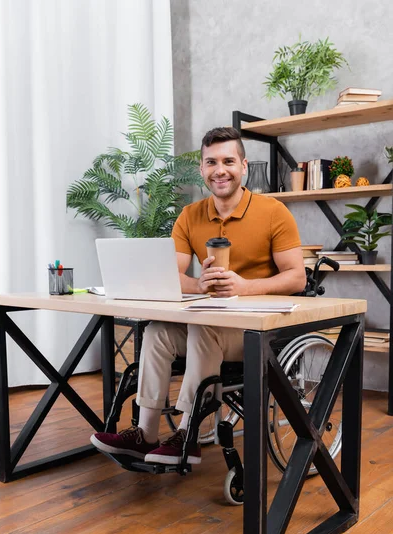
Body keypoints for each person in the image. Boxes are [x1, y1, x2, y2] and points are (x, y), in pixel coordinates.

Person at [91, 127, 306, 465]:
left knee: (203, 328)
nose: (220, 170)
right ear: (202, 170)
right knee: (159, 331)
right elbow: (171, 275)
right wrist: (200, 284)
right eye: (211, 162)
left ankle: (188, 434)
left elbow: (297, 276)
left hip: (257, 331)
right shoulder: (190, 216)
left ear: (244, 166)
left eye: (228, 161)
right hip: (208, 324)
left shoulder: (273, 212)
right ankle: (144, 433)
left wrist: (244, 286)